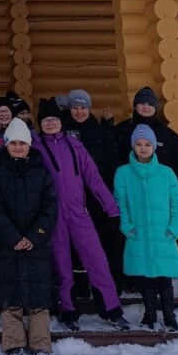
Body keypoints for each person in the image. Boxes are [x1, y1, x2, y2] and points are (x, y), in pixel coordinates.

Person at [34, 97, 130, 332]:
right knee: (62, 264)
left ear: (61, 121)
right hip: (54, 216)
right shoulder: (35, 148)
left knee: (97, 260)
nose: (50, 124)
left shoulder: (75, 146)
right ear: (40, 124)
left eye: (54, 119)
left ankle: (112, 309)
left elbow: (93, 179)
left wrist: (111, 207)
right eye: (45, 121)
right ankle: (69, 312)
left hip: (79, 213)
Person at [0, 118, 58, 355]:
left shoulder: (41, 172)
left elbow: (50, 208)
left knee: (39, 298)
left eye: (22, 143)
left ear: (29, 145)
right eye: (13, 143)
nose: (18, 147)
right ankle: (14, 344)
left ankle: (41, 345)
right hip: (8, 245)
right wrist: (14, 237)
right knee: (11, 298)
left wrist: (34, 236)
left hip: (36, 245)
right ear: (6, 145)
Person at [114, 124, 178, 332]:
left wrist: (174, 229)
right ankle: (149, 315)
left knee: (164, 278)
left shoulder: (167, 173)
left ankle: (169, 316)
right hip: (138, 234)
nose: (143, 148)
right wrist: (127, 226)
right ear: (133, 146)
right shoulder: (123, 173)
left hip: (163, 234)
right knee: (145, 278)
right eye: (139, 144)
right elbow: (121, 204)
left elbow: (176, 204)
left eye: (147, 144)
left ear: (154, 146)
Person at [64, 88, 124, 300]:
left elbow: (113, 163)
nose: (79, 111)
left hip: (98, 198)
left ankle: (110, 286)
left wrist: (109, 196)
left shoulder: (100, 131)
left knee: (105, 242)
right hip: (73, 198)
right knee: (76, 244)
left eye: (83, 107)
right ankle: (80, 286)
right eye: (75, 107)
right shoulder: (63, 132)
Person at [114, 87, 178, 189]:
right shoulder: (121, 131)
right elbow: (110, 160)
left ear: (155, 107)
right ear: (135, 106)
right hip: (129, 191)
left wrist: (170, 190)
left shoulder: (169, 135)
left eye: (150, 104)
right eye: (142, 103)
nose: (146, 107)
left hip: (159, 192)